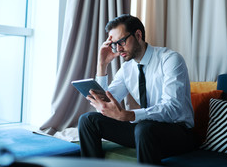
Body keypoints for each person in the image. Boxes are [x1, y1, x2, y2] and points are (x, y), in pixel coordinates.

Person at [78, 14, 196, 165]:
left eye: (121, 42)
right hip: (145, 131)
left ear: (138, 35)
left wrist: (129, 115)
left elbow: (173, 108)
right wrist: (102, 65)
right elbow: (106, 103)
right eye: (114, 44)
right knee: (87, 120)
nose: (118, 49)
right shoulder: (127, 68)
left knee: (144, 129)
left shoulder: (170, 60)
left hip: (178, 133)